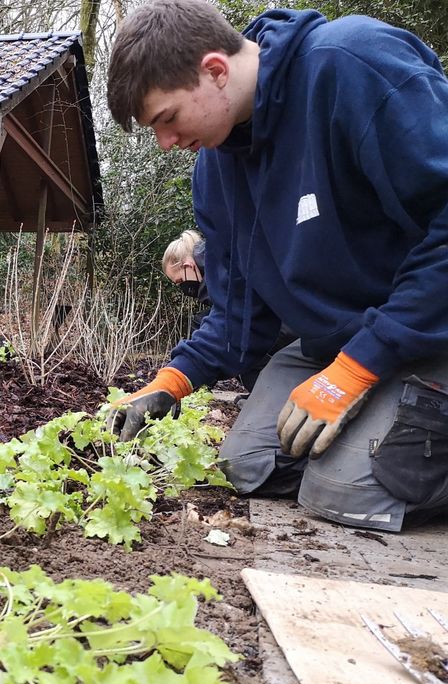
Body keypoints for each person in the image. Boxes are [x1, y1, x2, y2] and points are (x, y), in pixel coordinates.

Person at [105, 0, 448, 532]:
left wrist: (358, 369)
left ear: (215, 70)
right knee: (247, 465)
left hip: (431, 332)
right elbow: (239, 310)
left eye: (167, 119)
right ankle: (392, 436)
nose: (166, 143)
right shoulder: (216, 171)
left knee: (343, 491)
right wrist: (171, 382)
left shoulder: (350, 66)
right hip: (333, 344)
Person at [163, 229, 294, 392]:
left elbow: (236, 319)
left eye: (180, 281)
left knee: (241, 348)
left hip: (283, 321)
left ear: (188, 265)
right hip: (283, 316)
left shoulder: (217, 272)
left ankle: (270, 396)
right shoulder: (215, 259)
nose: (182, 287)